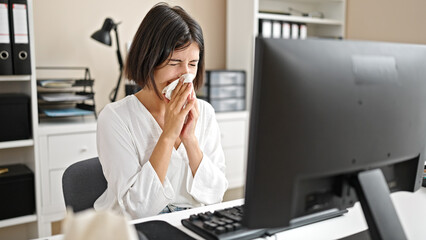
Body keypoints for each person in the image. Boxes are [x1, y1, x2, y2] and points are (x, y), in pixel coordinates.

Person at [94, 3, 228, 219]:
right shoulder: (115, 118)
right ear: (149, 61)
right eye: (175, 62)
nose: (185, 75)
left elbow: (216, 194)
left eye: (192, 64)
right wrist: (168, 135)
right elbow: (136, 209)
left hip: (190, 223)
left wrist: (190, 139)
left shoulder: (205, 113)